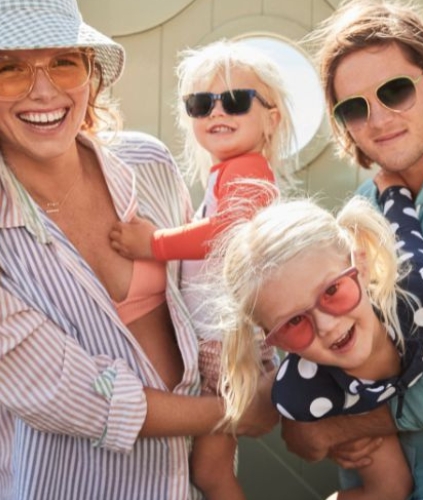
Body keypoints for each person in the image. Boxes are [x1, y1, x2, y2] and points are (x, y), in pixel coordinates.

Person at [0, 1, 278, 499]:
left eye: (65, 61)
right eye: (9, 70)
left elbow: (206, 282)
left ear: (91, 73)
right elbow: (72, 396)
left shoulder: (147, 163)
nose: (44, 91)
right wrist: (235, 410)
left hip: (186, 482)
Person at [282, 1, 423, 498]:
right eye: (354, 108)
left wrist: (335, 426)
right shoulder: (363, 207)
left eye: (395, 91)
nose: (378, 119)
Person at [106, 39, 295, 499]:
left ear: (271, 118)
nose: (216, 113)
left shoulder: (250, 171)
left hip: (226, 343)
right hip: (218, 339)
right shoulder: (228, 173)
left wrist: (152, 242)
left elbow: (226, 230)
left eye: (234, 101)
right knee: (207, 469)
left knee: (211, 473)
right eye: (200, 104)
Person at [214, 190, 423, 500]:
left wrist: (393, 191)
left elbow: (404, 230)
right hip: (355, 404)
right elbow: (388, 491)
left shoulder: (418, 298)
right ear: (271, 336)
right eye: (294, 323)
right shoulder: (308, 392)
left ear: (361, 266)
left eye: (332, 290)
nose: (327, 326)